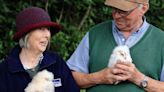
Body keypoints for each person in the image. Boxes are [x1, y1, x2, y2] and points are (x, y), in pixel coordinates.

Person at [66, 0, 164, 92]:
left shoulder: (160, 40)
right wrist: (100, 77)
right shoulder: (94, 34)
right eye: (114, 9)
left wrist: (139, 78)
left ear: (143, 8)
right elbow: (69, 77)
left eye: (123, 11)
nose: (116, 16)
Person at [0, 7, 80, 92]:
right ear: (26, 34)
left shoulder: (57, 63)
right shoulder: (4, 71)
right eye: (41, 29)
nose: (47, 35)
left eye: (48, 29)